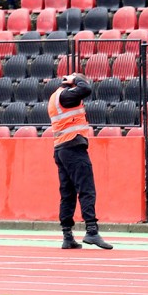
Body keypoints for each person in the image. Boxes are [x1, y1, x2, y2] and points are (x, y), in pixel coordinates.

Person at [49, 73, 111, 250]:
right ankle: (91, 230)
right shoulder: (67, 95)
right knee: (86, 189)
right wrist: (75, 79)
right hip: (73, 146)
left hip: (60, 149)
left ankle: (67, 235)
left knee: (67, 193)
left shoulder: (55, 97)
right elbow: (86, 89)